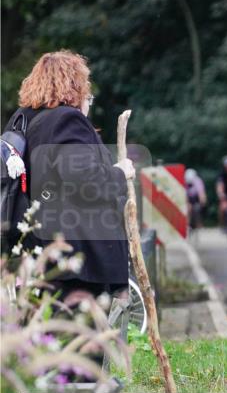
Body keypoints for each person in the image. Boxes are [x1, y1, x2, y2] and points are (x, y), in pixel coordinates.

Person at [5, 50, 133, 303]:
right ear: (76, 88)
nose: (88, 102)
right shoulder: (67, 120)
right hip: (76, 260)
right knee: (77, 325)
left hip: (35, 250)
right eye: (88, 95)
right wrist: (120, 172)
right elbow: (86, 181)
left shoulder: (22, 121)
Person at [185, 168, 207, 232]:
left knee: (198, 208)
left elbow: (201, 193)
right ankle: (187, 225)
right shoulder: (184, 181)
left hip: (196, 198)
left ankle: (199, 223)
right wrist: (187, 203)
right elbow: (184, 195)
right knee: (188, 209)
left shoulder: (198, 181)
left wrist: (202, 202)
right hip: (188, 198)